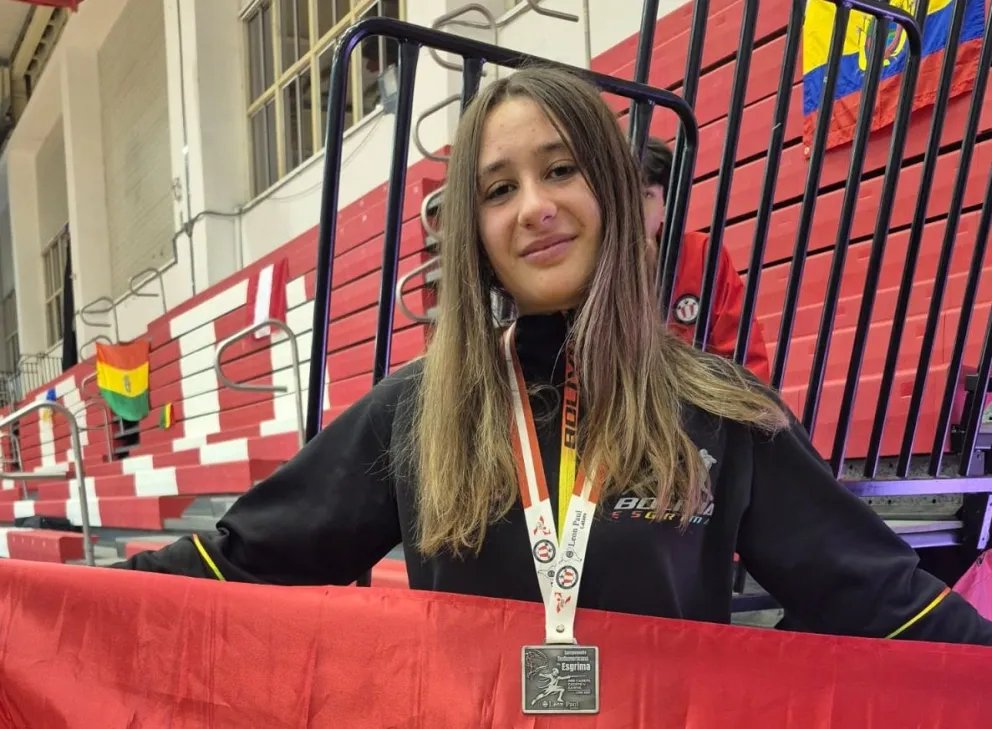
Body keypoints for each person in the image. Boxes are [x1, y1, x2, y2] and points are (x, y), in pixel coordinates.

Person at [113, 66, 992, 647]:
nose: (533, 206)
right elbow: (248, 557)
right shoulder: (418, 411)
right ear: (476, 232)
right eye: (499, 188)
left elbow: (876, 595)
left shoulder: (720, 409)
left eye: (562, 169)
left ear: (612, 189)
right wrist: (67, 606)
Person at [641, 137, 771, 382]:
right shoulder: (587, 265)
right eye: (622, 194)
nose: (633, 206)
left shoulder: (702, 255)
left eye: (646, 194)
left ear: (665, 206)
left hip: (697, 410)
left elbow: (745, 363)